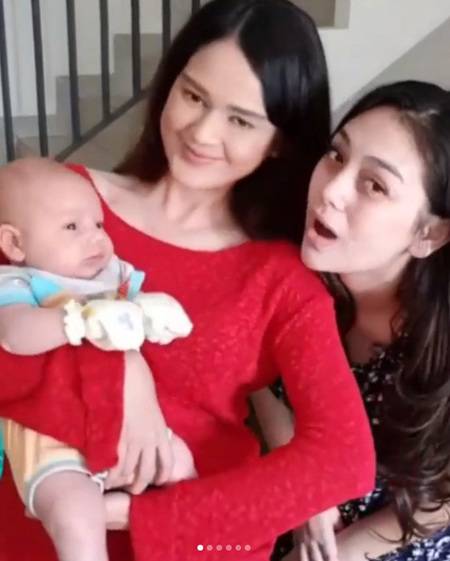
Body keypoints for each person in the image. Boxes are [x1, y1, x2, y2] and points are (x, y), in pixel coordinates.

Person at [0, 1, 375, 560]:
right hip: (36, 528)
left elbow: (345, 459)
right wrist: (127, 371)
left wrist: (138, 515)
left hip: (189, 542)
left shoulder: (281, 278)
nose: (201, 132)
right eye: (194, 96)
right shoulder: (63, 206)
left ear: (279, 140)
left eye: (240, 120)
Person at [253, 80, 450, 561]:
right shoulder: (288, 267)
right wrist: (306, 482)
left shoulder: (438, 348)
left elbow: (440, 501)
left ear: (428, 234)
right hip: (295, 502)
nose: (331, 189)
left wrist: (337, 554)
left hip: (393, 535)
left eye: (375, 185)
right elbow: (259, 379)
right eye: (336, 155)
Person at [0, 157, 196, 561]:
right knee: (75, 515)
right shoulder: (19, 282)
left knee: (182, 465)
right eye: (72, 227)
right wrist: (76, 320)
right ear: (15, 245)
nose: (96, 239)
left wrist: (154, 311)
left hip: (127, 427)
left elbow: (140, 312)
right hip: (54, 440)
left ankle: (194, 548)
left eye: (99, 224)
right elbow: (14, 335)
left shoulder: (112, 274)